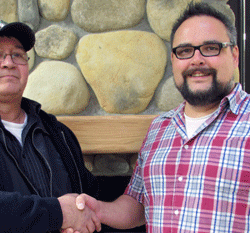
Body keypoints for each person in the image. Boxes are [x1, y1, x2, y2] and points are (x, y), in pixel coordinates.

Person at [74, 2, 250, 232]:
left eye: (210, 48)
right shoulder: (160, 128)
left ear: (234, 55)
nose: (197, 59)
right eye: (185, 51)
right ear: (174, 60)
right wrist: (98, 210)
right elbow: (138, 204)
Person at [0, 19, 101, 233]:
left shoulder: (58, 132)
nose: (9, 62)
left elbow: (88, 200)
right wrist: (58, 214)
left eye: (18, 55)